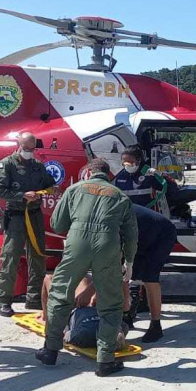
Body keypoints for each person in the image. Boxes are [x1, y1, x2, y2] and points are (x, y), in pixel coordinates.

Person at [37, 159, 138, 377]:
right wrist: (128, 262)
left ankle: (50, 351)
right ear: (107, 175)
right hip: (107, 248)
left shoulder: (74, 190)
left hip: (77, 246)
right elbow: (131, 235)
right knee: (110, 305)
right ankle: (105, 361)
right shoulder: (120, 196)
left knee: (60, 296)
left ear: (89, 173)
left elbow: (57, 225)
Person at [0, 132, 57, 317]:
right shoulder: (7, 165)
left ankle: (34, 298)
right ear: (18, 145)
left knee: (37, 256)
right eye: (26, 148)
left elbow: (49, 182)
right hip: (16, 217)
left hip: (34, 215)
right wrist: (22, 195)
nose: (30, 152)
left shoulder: (37, 165)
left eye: (32, 149)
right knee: (10, 257)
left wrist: (51, 188)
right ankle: (4, 300)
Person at [124, 204, 179, 343]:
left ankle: (156, 325)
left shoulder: (112, 219)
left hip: (161, 235)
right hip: (140, 236)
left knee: (150, 278)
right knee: (124, 275)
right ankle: (126, 315)